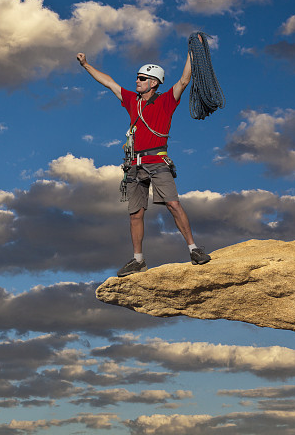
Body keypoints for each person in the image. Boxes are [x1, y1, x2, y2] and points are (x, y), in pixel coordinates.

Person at [76, 40, 211, 277]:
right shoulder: (131, 101)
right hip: (135, 165)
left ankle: (194, 249)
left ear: (154, 83)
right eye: (137, 78)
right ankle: (138, 260)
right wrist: (86, 64)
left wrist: (193, 51)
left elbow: (184, 81)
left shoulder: (166, 100)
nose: (136, 81)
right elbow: (109, 83)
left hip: (157, 162)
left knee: (173, 204)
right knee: (135, 213)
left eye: (141, 78)